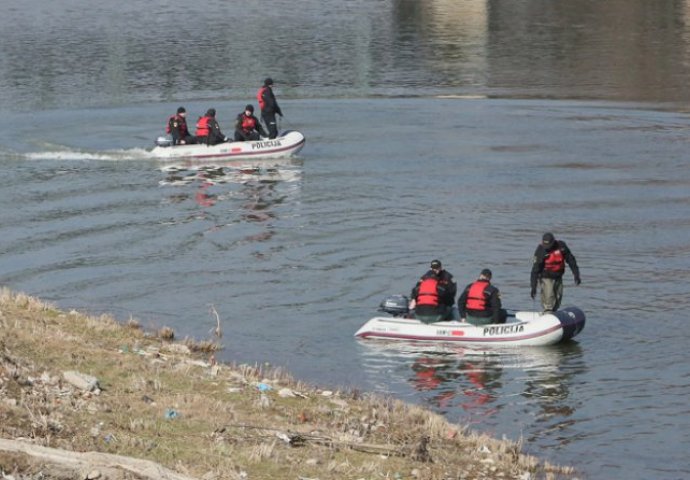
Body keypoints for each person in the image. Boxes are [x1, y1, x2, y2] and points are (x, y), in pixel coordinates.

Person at [530, 232, 581, 312]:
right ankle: (547, 311)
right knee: (549, 297)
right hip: (546, 277)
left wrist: (576, 275)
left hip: (558, 276)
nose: (547, 248)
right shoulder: (540, 251)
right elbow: (535, 270)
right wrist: (533, 287)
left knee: (558, 298)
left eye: (549, 246)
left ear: (553, 242)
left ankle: (554, 313)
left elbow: (571, 260)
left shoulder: (561, 246)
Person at [409, 259, 458, 324]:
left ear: (441, 268)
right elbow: (416, 291)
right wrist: (414, 300)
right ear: (430, 268)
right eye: (433, 269)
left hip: (441, 301)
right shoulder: (425, 277)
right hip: (428, 302)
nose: (435, 270)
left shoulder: (448, 277)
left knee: (450, 308)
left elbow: (451, 294)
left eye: (437, 268)